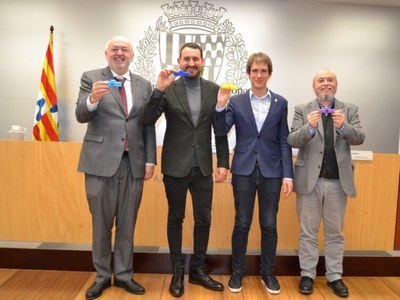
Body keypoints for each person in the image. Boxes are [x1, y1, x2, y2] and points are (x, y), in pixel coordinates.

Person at [143, 42, 230, 297]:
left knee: (204, 220)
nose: (191, 63)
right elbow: (148, 120)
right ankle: (178, 271)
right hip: (175, 166)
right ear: (179, 62)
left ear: (203, 62)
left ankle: (199, 270)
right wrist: (158, 90)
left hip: (203, 167)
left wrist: (223, 162)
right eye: (186, 59)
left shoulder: (215, 90)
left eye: (196, 59)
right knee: (175, 218)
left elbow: (221, 131)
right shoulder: (169, 88)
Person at [75, 35, 156, 300]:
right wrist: (93, 99)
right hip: (100, 163)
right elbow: (80, 114)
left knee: (127, 224)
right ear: (106, 53)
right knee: (101, 224)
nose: (119, 53)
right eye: (114, 49)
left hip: (133, 163)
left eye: (125, 50)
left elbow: (147, 124)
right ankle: (101, 277)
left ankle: (123, 275)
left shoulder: (144, 85)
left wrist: (149, 160)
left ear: (132, 56)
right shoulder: (91, 78)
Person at [214, 52, 293, 295]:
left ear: (269, 74)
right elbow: (220, 129)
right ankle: (237, 272)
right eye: (254, 71)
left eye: (263, 71)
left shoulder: (280, 102)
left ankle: (268, 273)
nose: (259, 75)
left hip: (272, 171)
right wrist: (220, 106)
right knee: (242, 222)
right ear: (248, 73)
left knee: (269, 224)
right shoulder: (235, 102)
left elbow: (283, 140)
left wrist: (288, 175)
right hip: (244, 170)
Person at [287, 68, 365, 298]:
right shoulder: (303, 109)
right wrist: (309, 128)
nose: (326, 83)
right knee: (307, 233)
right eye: (321, 80)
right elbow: (292, 139)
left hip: (338, 183)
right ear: (314, 86)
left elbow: (360, 137)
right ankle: (308, 275)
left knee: (335, 234)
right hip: (309, 181)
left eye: (330, 80)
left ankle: (334, 276)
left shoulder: (350, 110)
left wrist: (343, 127)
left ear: (336, 84)